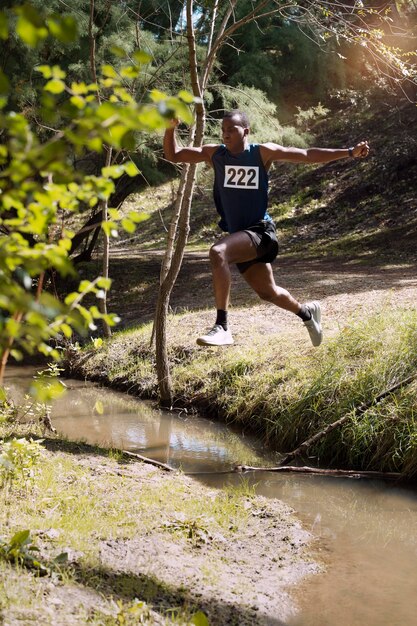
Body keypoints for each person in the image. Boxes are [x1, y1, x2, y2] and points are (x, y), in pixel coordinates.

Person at [163, 110, 369, 347]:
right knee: (268, 292)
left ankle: (222, 327)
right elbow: (174, 154)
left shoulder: (261, 153)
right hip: (241, 236)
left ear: (246, 131)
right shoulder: (215, 154)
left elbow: (306, 154)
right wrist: (170, 128)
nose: (226, 134)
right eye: (223, 130)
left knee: (218, 252)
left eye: (232, 129)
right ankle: (307, 314)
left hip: (261, 232)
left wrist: (350, 152)